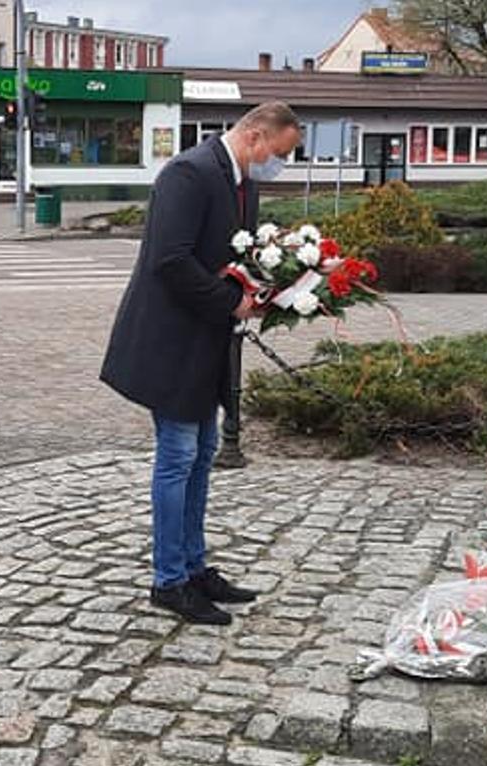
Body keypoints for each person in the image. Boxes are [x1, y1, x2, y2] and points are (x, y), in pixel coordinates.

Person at [100, 101, 300, 625]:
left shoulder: (243, 183)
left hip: (207, 340)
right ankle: (169, 581)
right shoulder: (188, 173)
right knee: (179, 455)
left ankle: (193, 567)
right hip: (169, 340)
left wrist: (269, 288)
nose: (277, 165)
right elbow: (170, 259)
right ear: (256, 136)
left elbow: (235, 258)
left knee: (204, 450)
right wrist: (230, 301)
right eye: (277, 154)